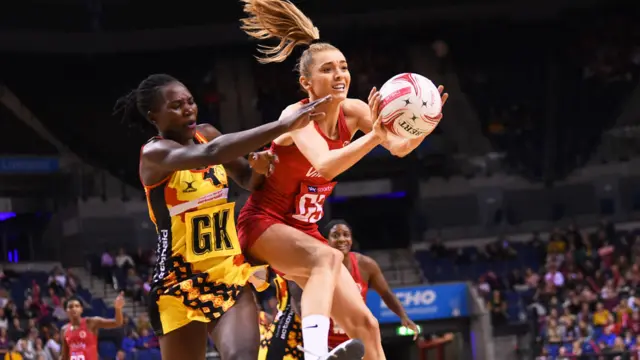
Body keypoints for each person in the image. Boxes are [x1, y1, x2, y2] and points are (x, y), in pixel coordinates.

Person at [237, 1, 448, 360]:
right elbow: (327, 163)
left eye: (344, 67)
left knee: (366, 326)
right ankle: (316, 355)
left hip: (304, 232)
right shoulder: (296, 116)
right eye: (327, 69)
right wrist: (375, 136)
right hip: (264, 224)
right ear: (307, 83)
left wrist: (422, 126)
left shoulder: (354, 111)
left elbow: (397, 147)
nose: (339, 75)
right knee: (326, 258)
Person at [114, 73, 330, 360]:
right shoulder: (154, 154)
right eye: (176, 106)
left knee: (242, 357)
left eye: (190, 101)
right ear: (154, 115)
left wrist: (260, 167)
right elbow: (211, 153)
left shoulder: (208, 133)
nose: (188, 109)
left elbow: (247, 179)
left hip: (228, 272)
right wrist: (282, 125)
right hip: (178, 282)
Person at [260, 220, 422, 360]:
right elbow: (298, 300)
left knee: (371, 329)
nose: (342, 239)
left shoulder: (365, 265)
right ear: (325, 241)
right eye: (335, 235)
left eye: (346, 234)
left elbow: (385, 293)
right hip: (325, 341)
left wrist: (402, 315)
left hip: (354, 336)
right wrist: (314, 333)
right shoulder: (312, 264)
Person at [60, 294, 125, 360]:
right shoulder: (64, 330)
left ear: (81, 309)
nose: (74, 309)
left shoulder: (91, 322)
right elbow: (64, 356)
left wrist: (118, 308)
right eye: (70, 307)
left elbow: (117, 322)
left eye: (77, 306)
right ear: (66, 311)